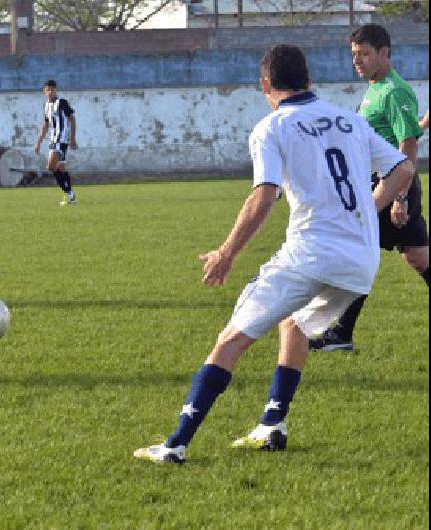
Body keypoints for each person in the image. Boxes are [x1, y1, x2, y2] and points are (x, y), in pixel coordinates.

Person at [133, 44, 414, 464]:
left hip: (311, 252)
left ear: (265, 85)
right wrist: (363, 211)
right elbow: (404, 169)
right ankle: (271, 424)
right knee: (295, 322)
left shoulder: (272, 126)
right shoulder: (349, 120)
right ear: (309, 81)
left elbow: (265, 194)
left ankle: (175, 445)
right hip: (360, 259)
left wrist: (227, 253)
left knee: (231, 339)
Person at [310, 24, 429, 351]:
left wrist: (399, 197)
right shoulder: (376, 88)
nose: (357, 61)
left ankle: (340, 334)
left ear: (384, 53)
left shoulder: (393, 90)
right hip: (382, 183)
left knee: (356, 252)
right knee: (418, 257)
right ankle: (341, 334)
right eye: (353, 55)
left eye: (364, 54)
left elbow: (408, 148)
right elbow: (396, 135)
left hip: (391, 184)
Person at [33, 79, 78, 206]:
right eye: (48, 89)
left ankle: (69, 194)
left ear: (56, 90)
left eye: (52, 89)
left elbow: (72, 119)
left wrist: (73, 138)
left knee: (51, 167)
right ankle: (70, 196)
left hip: (61, 140)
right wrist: (38, 142)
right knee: (61, 168)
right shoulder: (46, 105)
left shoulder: (62, 102)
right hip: (53, 140)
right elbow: (46, 125)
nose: (50, 91)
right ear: (44, 91)